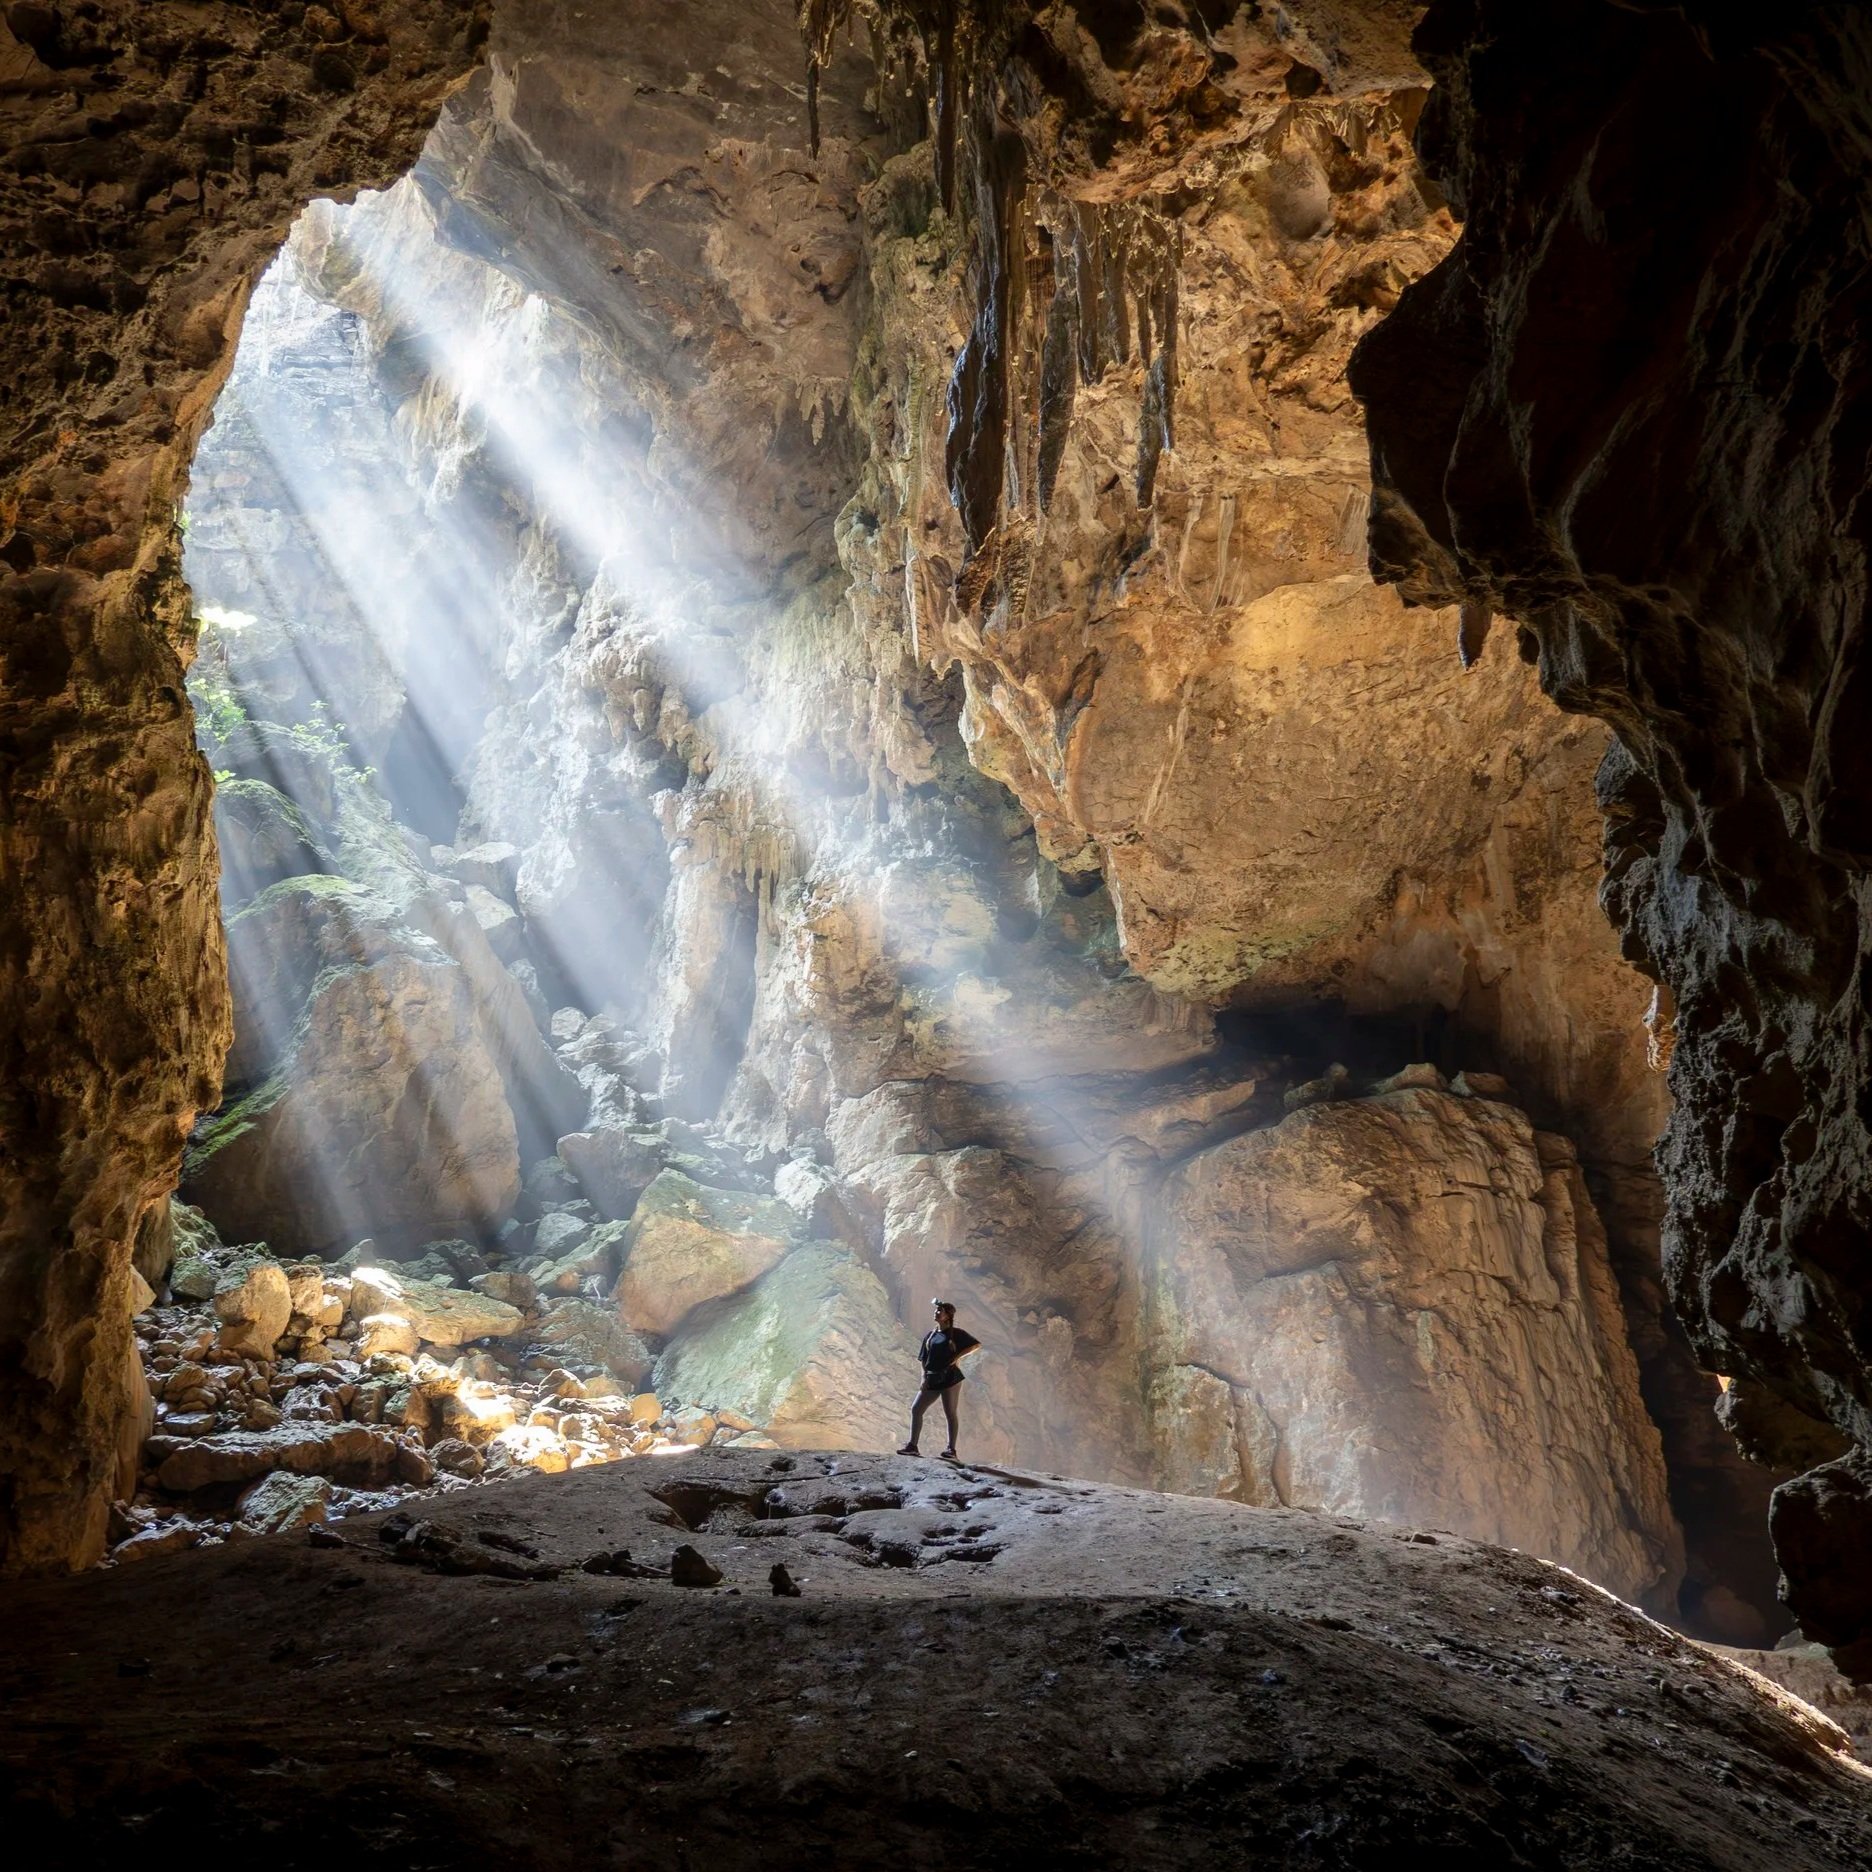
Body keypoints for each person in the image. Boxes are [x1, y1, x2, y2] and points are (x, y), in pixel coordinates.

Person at [898, 1299, 980, 1461]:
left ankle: (951, 1450)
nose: (936, 1313)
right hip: (932, 1378)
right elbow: (924, 1358)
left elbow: (975, 1345)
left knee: (950, 1412)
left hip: (950, 1378)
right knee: (916, 1409)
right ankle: (912, 1446)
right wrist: (924, 1377)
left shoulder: (956, 1334)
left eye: (939, 1311)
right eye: (936, 1310)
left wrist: (957, 1356)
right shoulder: (931, 1335)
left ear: (947, 1316)